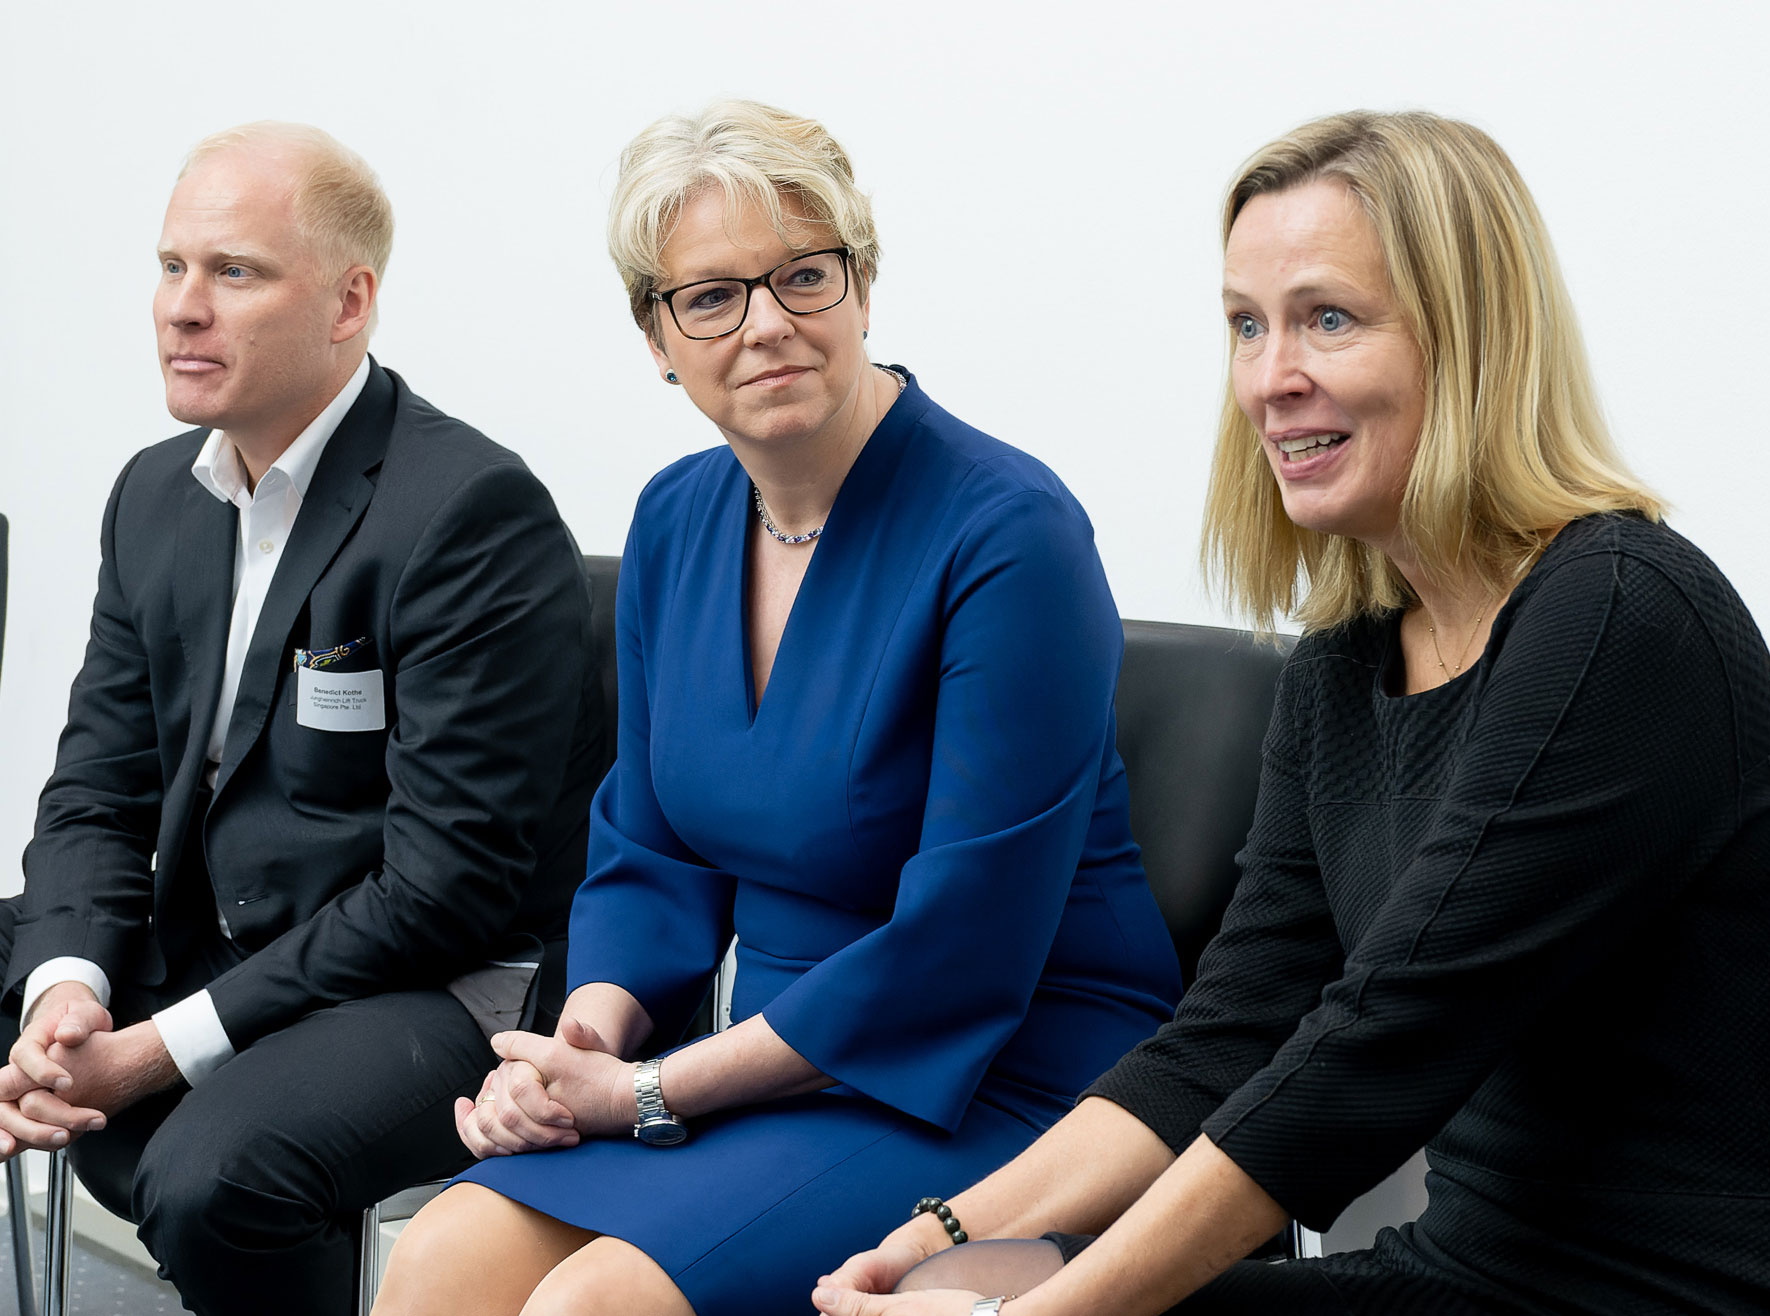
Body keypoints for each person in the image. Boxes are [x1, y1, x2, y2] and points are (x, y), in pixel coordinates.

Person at [813, 109, 1770, 1316]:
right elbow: (1228, 1035)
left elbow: (1377, 1046)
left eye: (1328, 318)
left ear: (1467, 339)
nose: (1271, 378)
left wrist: (1043, 1310)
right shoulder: (1343, 668)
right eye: (1247, 327)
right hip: (1471, 1273)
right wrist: (949, 1233)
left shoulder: (1619, 617)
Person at [371, 99, 1183, 1316]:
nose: (767, 326)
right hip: (760, 1072)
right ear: (656, 332)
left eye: (803, 276)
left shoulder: (1011, 534)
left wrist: (651, 1093)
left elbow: (957, 946)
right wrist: (586, 1045)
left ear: (862, 285)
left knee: (593, 1305)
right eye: (710, 296)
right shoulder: (674, 518)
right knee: (436, 1255)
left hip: (997, 1071)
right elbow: (652, 843)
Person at [0, 123, 602, 1315]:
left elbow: (442, 893)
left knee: (218, 1177)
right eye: (171, 267)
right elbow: (97, 789)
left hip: (431, 984)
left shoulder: (468, 511)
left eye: (234, 273)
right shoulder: (155, 496)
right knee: (50, 995)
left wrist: (151, 1048)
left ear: (348, 302)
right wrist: (67, 990)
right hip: (221, 933)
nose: (182, 308)